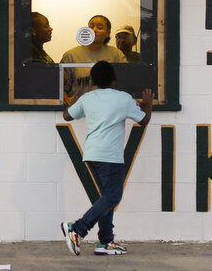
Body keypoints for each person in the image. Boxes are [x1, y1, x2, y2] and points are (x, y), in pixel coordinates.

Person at [60, 60, 153, 257]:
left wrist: (73, 99)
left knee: (106, 198)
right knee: (113, 197)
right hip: (110, 156)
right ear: (114, 79)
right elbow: (143, 120)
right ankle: (77, 229)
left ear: (92, 80)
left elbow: (67, 116)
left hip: (92, 154)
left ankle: (105, 241)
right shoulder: (123, 99)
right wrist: (148, 105)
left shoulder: (87, 98)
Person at [58, 14, 124, 97]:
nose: (94, 30)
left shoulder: (116, 55)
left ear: (108, 33)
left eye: (99, 28)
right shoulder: (70, 55)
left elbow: (125, 83)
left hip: (108, 107)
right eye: (91, 27)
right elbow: (61, 88)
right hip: (79, 107)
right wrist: (65, 99)